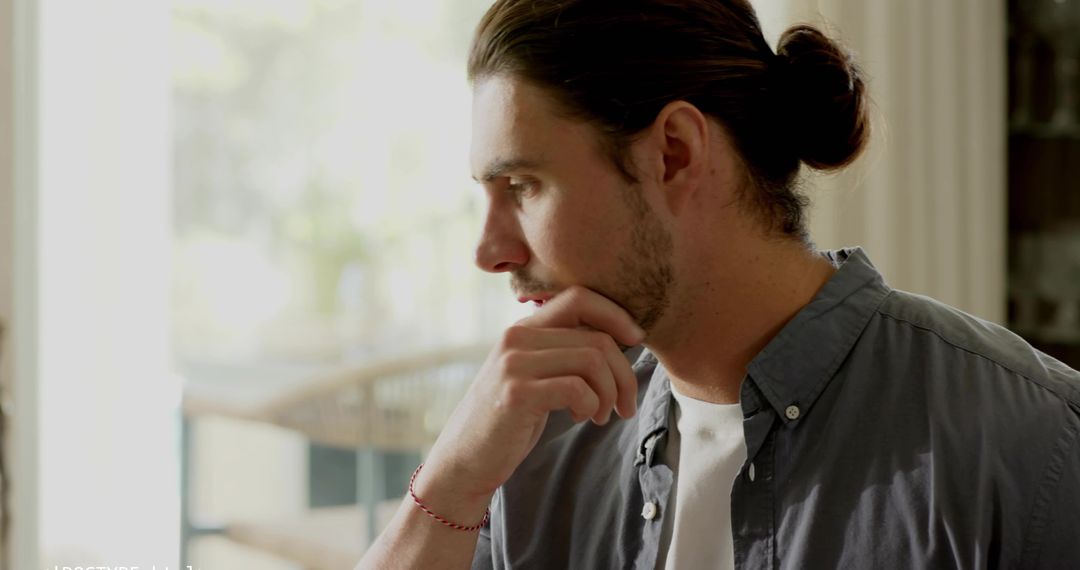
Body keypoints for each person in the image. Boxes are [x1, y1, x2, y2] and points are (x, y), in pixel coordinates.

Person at [358, 0, 1080, 568]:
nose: (489, 250)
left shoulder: (1027, 445)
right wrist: (451, 480)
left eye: (523, 185)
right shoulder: (535, 442)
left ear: (674, 151)